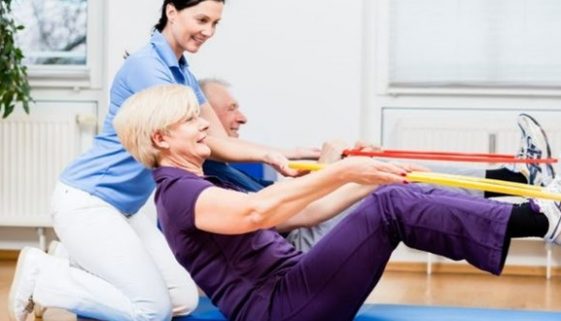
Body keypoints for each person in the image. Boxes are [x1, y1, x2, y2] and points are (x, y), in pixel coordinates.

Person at [116, 84, 561, 321]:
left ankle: (531, 210)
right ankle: (537, 221)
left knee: (390, 193)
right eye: (191, 120)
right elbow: (258, 211)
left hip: (293, 284)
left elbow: (304, 213)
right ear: (161, 138)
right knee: (388, 207)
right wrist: (343, 172)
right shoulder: (177, 194)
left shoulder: (197, 181)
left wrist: (370, 178)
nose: (204, 126)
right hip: (280, 309)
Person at [8, 1, 317, 321]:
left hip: (128, 207)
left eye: (215, 23)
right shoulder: (147, 67)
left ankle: (72, 257)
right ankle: (46, 277)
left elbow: (218, 136)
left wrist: (287, 153)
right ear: (171, 12)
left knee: (181, 300)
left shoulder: (181, 70)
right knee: (151, 313)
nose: (208, 31)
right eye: (201, 19)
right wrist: (269, 156)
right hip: (90, 199)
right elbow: (209, 144)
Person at [199, 78, 557, 251]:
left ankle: (517, 178)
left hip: (301, 230)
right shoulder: (205, 178)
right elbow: (285, 214)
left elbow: (289, 181)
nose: (241, 117)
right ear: (205, 116)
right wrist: (333, 167)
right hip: (297, 251)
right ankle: (537, 218)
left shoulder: (231, 161)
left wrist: (349, 159)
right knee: (389, 183)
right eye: (231, 109)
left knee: (384, 167)